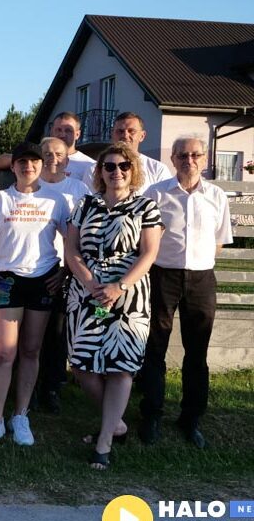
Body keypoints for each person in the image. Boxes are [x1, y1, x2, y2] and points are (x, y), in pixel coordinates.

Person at [65, 144, 163, 469]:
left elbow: (149, 253)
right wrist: (91, 282)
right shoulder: (85, 204)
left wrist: (119, 286)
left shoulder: (146, 207)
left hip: (129, 293)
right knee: (81, 363)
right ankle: (116, 424)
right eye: (109, 166)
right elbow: (71, 248)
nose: (116, 172)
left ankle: (104, 443)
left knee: (121, 367)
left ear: (133, 170)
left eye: (123, 166)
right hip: (87, 291)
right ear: (100, 171)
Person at [0, 142, 69, 449]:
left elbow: (72, 244)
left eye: (34, 161)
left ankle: (21, 415)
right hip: (7, 280)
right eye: (22, 162)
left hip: (43, 279)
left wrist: (64, 273)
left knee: (30, 351)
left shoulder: (57, 200)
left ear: (42, 166)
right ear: (13, 167)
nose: (28, 166)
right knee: (4, 353)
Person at [140, 135, 232, 449]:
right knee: (155, 348)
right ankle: (151, 415)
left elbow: (219, 241)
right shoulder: (156, 193)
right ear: (173, 159)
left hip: (201, 278)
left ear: (204, 159)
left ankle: (191, 419)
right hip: (163, 276)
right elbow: (146, 238)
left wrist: (195, 263)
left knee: (197, 353)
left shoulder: (216, 195)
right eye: (182, 155)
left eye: (195, 155)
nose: (188, 160)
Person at [36, 136, 92, 413]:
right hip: (36, 267)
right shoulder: (30, 185)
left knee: (58, 331)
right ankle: (32, 386)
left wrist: (68, 269)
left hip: (66, 268)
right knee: (33, 333)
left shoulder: (79, 189)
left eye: (58, 154)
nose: (52, 159)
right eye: (46, 153)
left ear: (67, 159)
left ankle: (52, 386)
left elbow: (81, 236)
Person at [80, 112, 173, 193]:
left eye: (131, 131)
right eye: (120, 131)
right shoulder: (94, 170)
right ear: (112, 134)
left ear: (142, 136)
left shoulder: (158, 170)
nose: (125, 135)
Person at [0, 112, 95, 183]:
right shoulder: (38, 156)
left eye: (68, 130)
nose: (62, 134)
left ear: (77, 134)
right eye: (58, 130)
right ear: (51, 131)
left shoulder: (88, 165)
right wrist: (26, 159)